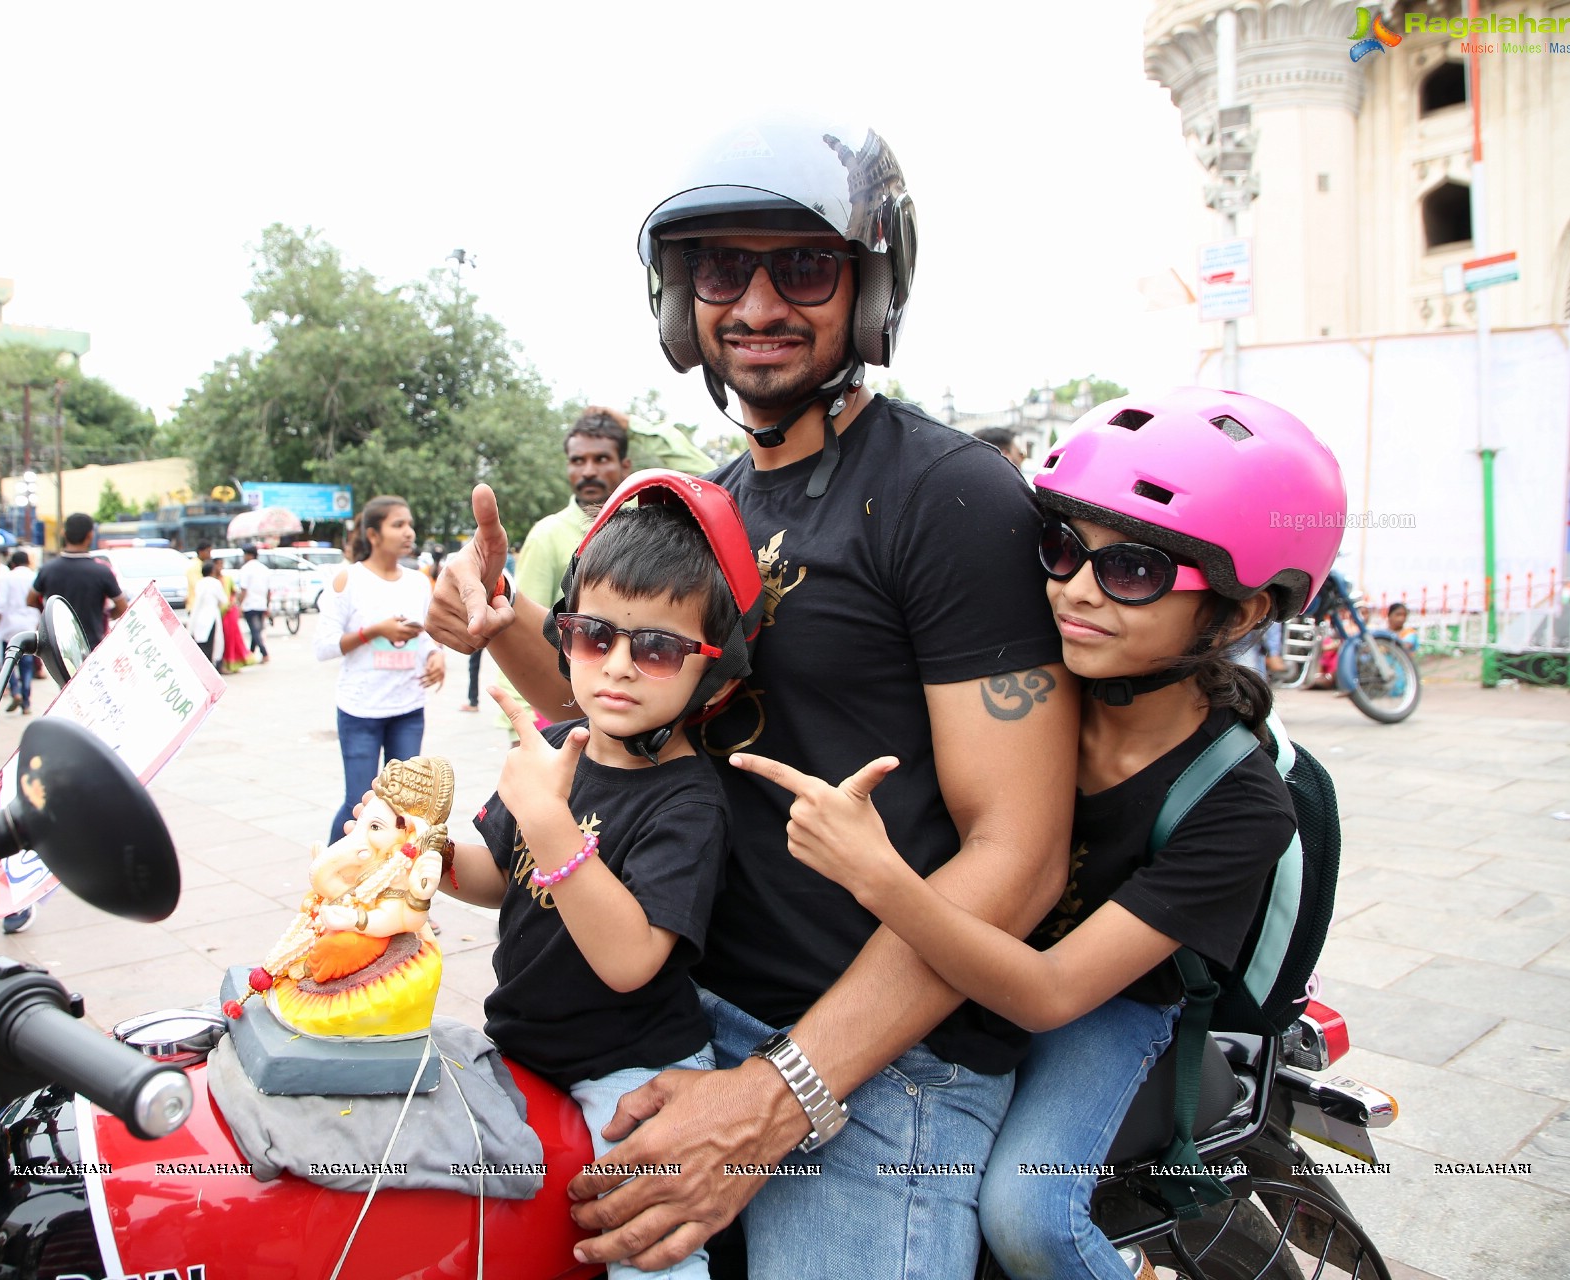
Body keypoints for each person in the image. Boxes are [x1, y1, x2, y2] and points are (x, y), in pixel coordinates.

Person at [429, 122, 1077, 1278]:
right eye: (724, 269)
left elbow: (1018, 855)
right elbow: (627, 703)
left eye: (805, 267)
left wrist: (786, 1091)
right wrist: (512, 631)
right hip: (684, 1007)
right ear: (683, 300)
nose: (759, 302)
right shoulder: (708, 504)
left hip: (887, 1054)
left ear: (872, 286)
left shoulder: (951, 497)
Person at [739, 386, 1342, 1280]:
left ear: (1243, 610)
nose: (1076, 592)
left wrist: (881, 879)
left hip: (1105, 1001)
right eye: (1061, 551)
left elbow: (1052, 993)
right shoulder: (1043, 688)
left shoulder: (1240, 802)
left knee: (1029, 1211)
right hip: (974, 957)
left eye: (1133, 571)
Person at [439, 474, 760, 1280]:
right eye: (593, 636)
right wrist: (430, 858)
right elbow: (499, 878)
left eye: (656, 648)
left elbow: (630, 958)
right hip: (523, 1043)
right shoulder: (556, 750)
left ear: (711, 673)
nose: (617, 667)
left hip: (632, 1072)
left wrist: (551, 825)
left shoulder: (689, 800)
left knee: (651, 1256)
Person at [492, 408, 635, 728]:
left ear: (625, 466)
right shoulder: (547, 535)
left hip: (631, 708)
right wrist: (519, 723)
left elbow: (713, 477)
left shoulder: (647, 527)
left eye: (601, 459)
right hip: (556, 710)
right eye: (577, 461)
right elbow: (511, 624)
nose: (588, 471)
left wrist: (635, 425)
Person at [314, 495, 445, 844]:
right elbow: (323, 646)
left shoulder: (419, 582)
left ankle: (385, 881)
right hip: (361, 711)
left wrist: (437, 655)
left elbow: (429, 635)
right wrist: (375, 631)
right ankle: (330, 879)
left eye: (409, 524)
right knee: (360, 804)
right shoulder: (348, 580)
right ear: (373, 535)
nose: (408, 532)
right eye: (397, 524)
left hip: (407, 709)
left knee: (403, 806)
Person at [29, 513, 126, 644]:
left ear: (64, 533)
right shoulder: (102, 571)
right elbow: (122, 608)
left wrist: (47, 615)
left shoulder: (47, 569)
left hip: (56, 647)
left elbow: (30, 600)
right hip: (90, 647)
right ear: (90, 535)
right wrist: (103, 616)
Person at [0, 549, 39, 713]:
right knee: (27, 665)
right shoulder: (34, 576)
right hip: (30, 625)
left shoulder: (7, 577)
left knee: (8, 663)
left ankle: (15, 692)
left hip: (9, 627)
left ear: (13, 563)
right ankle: (27, 702)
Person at [189, 557, 229, 670]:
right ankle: (212, 668)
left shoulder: (199, 583)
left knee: (201, 643)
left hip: (199, 617)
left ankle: (201, 667)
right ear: (212, 571)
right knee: (213, 644)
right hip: (212, 616)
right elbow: (224, 600)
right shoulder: (216, 583)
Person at [237, 545, 272, 664]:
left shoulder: (246, 569)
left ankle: (264, 653)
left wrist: (239, 604)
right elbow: (268, 590)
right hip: (261, 604)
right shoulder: (264, 569)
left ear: (249, 555)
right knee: (256, 630)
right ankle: (251, 653)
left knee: (254, 630)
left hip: (249, 604)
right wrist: (268, 605)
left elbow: (244, 589)